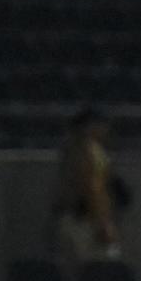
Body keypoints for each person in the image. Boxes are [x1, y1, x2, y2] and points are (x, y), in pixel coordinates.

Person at [52, 108, 122, 270]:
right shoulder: (90, 152)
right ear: (90, 126)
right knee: (94, 273)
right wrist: (104, 224)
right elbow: (92, 189)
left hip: (72, 217)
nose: (105, 129)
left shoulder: (71, 149)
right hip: (84, 221)